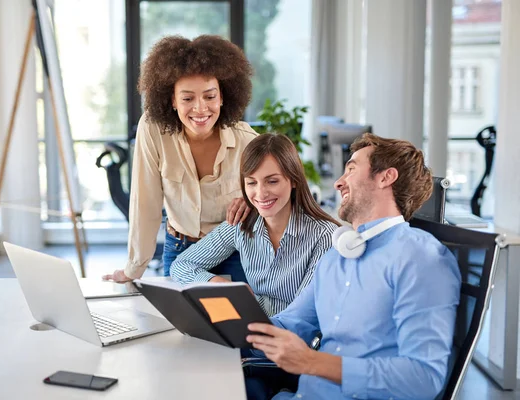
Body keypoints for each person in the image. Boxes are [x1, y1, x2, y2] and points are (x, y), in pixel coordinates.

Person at [244, 133, 462, 400]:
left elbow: (424, 378)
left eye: (351, 169)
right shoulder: (336, 257)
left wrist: (311, 362)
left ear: (386, 177)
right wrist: (222, 322)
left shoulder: (421, 258)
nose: (338, 183)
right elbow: (290, 323)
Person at [102, 35, 257, 283]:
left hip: (234, 252)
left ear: (223, 96)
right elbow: (146, 201)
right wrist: (134, 268)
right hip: (179, 250)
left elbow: (283, 195)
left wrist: (254, 204)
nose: (200, 108)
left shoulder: (247, 141)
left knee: (234, 320)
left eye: (209, 96)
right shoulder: (153, 129)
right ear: (172, 100)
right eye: (187, 98)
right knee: (178, 321)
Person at [171, 134, 339, 316]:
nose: (260, 193)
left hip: (293, 338)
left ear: (293, 180)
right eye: (252, 182)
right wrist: (216, 283)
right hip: (250, 329)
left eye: (272, 181)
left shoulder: (324, 235)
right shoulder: (241, 225)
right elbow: (181, 265)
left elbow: (302, 314)